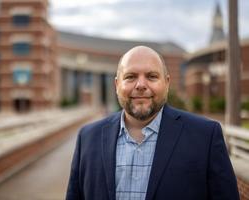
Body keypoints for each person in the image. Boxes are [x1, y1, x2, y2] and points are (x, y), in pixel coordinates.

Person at [66, 46, 240, 200]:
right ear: (117, 84)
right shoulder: (87, 138)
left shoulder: (205, 137)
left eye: (151, 76)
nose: (141, 85)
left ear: (167, 83)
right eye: (131, 76)